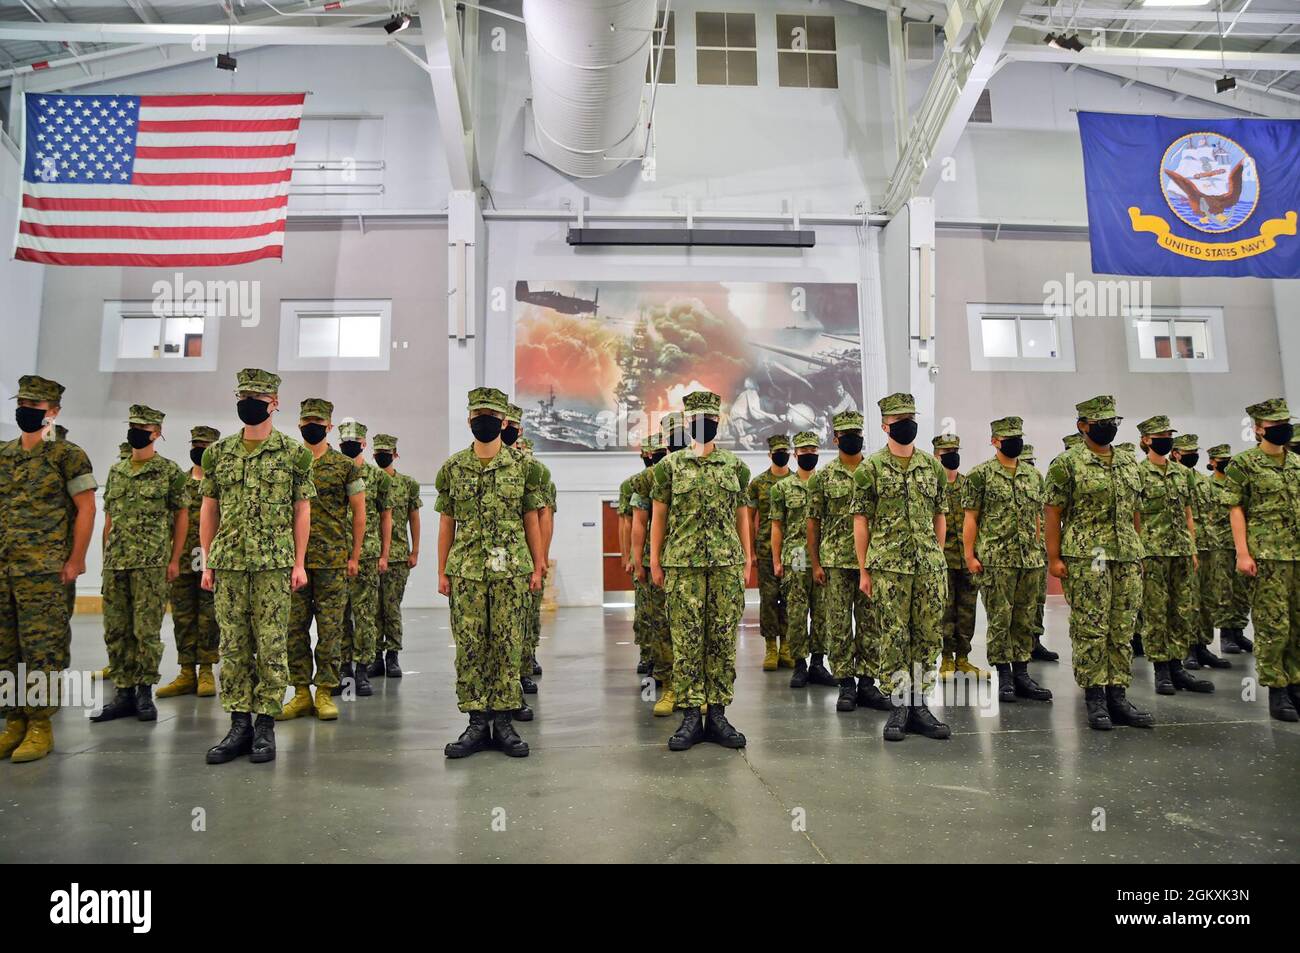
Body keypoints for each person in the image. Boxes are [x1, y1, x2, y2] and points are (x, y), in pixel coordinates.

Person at [201, 369, 315, 765]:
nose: (248, 402)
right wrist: (207, 559)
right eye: (242, 395)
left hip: (274, 563)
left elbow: (302, 510)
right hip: (229, 561)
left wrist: (299, 563)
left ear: (275, 403)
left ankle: (265, 722)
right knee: (232, 644)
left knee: (270, 643)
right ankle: (238, 723)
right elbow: (209, 507)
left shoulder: (293, 453)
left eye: (257, 397)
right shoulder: (218, 453)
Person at [437, 387, 546, 758]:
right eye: (477, 415)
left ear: (503, 422)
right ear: (470, 420)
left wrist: (537, 564)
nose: (483, 421)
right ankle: (475, 721)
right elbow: (446, 522)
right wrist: (442, 571)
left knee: (507, 644)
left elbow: (531, 519)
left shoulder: (524, 467)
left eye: (491, 416)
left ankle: (503, 722)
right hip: (467, 570)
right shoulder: (453, 468)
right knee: (469, 647)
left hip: (511, 570)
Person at [649, 390, 754, 751]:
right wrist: (655, 560)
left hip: (726, 565)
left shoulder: (735, 467)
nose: (704, 424)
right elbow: (659, 516)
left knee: (723, 640)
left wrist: (747, 558)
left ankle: (719, 715)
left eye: (710, 419)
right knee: (688, 641)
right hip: (683, 566)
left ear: (718, 421)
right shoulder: (669, 468)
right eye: (697, 419)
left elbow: (743, 515)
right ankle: (692, 716)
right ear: (688, 422)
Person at [0, 376, 96, 763]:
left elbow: (86, 508)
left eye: (35, 406)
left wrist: (76, 559)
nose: (26, 411)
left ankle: (40, 725)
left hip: (46, 572)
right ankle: (14, 722)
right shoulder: (4, 455)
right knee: (6, 651)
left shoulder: (67, 455)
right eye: (22, 403)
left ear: (52, 412)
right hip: (5, 569)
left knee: (42, 650)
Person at [1044, 395, 1153, 731]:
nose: (1108, 428)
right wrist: (1054, 557)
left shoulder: (1127, 462)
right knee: (1092, 627)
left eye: (1113, 423)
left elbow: (1135, 509)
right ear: (1083, 426)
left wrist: (1138, 550)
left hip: (1125, 556)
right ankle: (1095, 698)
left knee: (1123, 628)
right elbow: (1052, 511)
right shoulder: (1067, 463)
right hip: (1088, 556)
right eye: (1101, 423)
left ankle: (1117, 695)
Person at [853, 393, 950, 742]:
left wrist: (936, 556)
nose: (907, 425)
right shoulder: (871, 469)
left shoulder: (932, 466)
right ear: (884, 427)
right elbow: (861, 521)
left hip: (928, 567)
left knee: (926, 636)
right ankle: (898, 706)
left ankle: (920, 704)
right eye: (899, 421)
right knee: (893, 636)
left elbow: (941, 516)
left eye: (911, 418)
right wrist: (864, 570)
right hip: (888, 568)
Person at [91, 405, 188, 724]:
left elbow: (181, 515)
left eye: (143, 427)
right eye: (132, 426)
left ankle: (144, 692)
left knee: (145, 630)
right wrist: (105, 558)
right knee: (116, 629)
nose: (136, 431)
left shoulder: (169, 471)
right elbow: (109, 519)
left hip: (151, 563)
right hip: (117, 563)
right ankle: (123, 692)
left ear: (156, 433)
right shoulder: (117, 472)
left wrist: (174, 558)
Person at [279, 399, 365, 722]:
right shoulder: (290, 462)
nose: (311, 426)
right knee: (294, 628)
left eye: (317, 421)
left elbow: (359, 513)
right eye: (306, 421)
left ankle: (325, 691)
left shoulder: (346, 466)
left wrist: (354, 555)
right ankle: (300, 692)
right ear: (299, 424)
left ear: (329, 427)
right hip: (294, 560)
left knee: (331, 629)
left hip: (332, 561)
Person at [961, 417, 1052, 704]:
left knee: (1024, 618)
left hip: (1030, 560)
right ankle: (1004, 676)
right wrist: (969, 555)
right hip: (996, 560)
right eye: (1008, 437)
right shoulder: (981, 475)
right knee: (1000, 620)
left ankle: (1023, 672)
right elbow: (970, 518)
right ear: (994, 441)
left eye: (1018, 436)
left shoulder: (1033, 476)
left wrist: (1040, 548)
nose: (1015, 441)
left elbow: (1039, 516)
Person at [1222, 398, 1300, 722]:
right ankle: (1277, 690)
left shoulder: (1296, 463)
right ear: (1258, 429)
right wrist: (1242, 552)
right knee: (1273, 625)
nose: (1283, 428)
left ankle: (1296, 683)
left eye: (1286, 422)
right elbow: (1235, 508)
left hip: (1297, 553)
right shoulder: (1243, 464)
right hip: (1267, 556)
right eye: (1274, 424)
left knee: (1297, 623)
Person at [810, 410, 890, 713]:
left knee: (871, 623)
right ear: (836, 438)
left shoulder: (874, 471)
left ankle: (868, 682)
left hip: (870, 561)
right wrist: (816, 563)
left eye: (857, 432)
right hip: (835, 562)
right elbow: (813, 523)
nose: (853, 438)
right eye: (847, 434)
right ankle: (845, 683)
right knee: (839, 624)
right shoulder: (824, 477)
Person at [1134, 415, 1213, 696]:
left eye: (1169, 434)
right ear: (1146, 440)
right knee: (1155, 612)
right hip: (1152, 551)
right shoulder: (1138, 473)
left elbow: (1188, 511)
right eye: (1160, 435)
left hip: (1180, 550)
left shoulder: (1182, 473)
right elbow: (1136, 515)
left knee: (1182, 610)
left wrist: (1191, 546)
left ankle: (1178, 666)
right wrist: (1139, 551)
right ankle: (1161, 670)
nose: (1166, 439)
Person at [158, 426, 222, 700]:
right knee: (182, 617)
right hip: (182, 559)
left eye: (205, 445)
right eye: (195, 443)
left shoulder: (219, 482)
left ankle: (206, 669)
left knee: (209, 617)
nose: (199, 449)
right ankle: (186, 671)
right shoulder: (179, 482)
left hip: (211, 559)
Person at [769, 431, 835, 688]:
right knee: (796, 613)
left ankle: (818, 663)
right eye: (804, 452)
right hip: (795, 558)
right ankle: (799, 664)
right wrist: (776, 560)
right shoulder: (782, 488)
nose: (808, 456)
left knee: (822, 612)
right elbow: (777, 526)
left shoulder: (827, 484)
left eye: (813, 452)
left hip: (824, 556)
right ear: (795, 455)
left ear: (818, 454)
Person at [337, 421, 391, 699]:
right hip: (335, 554)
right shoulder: (333, 472)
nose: (349, 444)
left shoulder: (378, 477)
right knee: (338, 616)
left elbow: (386, 516)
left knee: (365, 614)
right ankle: (343, 668)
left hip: (368, 554)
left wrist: (385, 554)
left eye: (354, 440)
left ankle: (362, 668)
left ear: (364, 443)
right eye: (345, 440)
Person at [1173, 434, 1231, 671]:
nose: (1192, 455)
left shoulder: (1201, 480)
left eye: (1194, 451)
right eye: (1187, 452)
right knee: (1189, 600)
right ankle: (1188, 648)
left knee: (1208, 599)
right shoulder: (1175, 478)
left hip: (1210, 544)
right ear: (1176, 453)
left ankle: (1203, 646)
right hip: (1186, 545)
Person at [631, 424, 674, 715]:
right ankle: (667, 679)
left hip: (688, 561)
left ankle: (693, 685)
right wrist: (639, 561)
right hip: (656, 559)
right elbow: (639, 524)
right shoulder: (647, 479)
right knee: (660, 622)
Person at [370, 434, 421, 680]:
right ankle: (375, 657)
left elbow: (414, 518)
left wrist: (415, 550)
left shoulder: (407, 484)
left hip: (398, 556)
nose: (382, 455)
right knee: (371, 610)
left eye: (386, 452)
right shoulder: (367, 481)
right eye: (378, 452)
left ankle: (392, 655)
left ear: (395, 454)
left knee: (391, 607)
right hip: (370, 555)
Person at [933, 433, 982, 679]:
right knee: (945, 609)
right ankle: (946, 658)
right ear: (936, 455)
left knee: (967, 610)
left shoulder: (968, 485)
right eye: (946, 452)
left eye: (955, 450)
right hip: (942, 559)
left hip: (967, 559)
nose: (952, 455)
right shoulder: (932, 485)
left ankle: (963, 657)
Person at [510, 432, 554, 699]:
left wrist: (542, 558)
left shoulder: (536, 475)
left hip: (527, 556)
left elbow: (544, 518)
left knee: (527, 616)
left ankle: (525, 666)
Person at [1204, 444, 1253, 656]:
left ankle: (1238, 630)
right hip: (1219, 543)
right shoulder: (1208, 485)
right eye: (1221, 459)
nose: (1225, 462)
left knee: (1242, 590)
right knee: (1224, 589)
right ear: (1212, 462)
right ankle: (1226, 634)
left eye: (1228, 458)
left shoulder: (1238, 482)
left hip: (1240, 542)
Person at [749, 434, 792, 671]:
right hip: (765, 549)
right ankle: (770, 648)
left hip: (793, 552)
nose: (781, 454)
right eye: (777, 450)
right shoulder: (758, 483)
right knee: (768, 599)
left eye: (785, 450)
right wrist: (751, 550)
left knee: (789, 599)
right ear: (769, 454)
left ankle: (786, 646)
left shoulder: (797, 481)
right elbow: (749, 518)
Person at [1021, 444, 1058, 663]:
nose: (1030, 467)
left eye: (1031, 462)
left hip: (1038, 550)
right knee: (1022, 602)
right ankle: (1021, 643)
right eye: (1026, 462)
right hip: (1017, 552)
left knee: (1039, 598)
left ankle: (1035, 640)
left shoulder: (1038, 483)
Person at [619, 443, 651, 674]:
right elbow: (627, 522)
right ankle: (647, 654)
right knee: (644, 610)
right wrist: (628, 556)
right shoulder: (633, 484)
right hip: (644, 556)